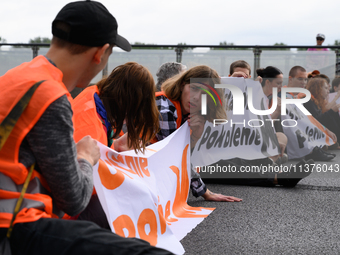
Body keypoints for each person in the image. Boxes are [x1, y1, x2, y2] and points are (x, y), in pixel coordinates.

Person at [0, 1, 173, 254]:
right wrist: (85, 156)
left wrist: (111, 146)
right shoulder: (52, 98)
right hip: (14, 222)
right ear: (100, 54)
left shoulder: (21, 76)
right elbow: (74, 200)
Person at [72, 62, 159, 228]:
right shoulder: (90, 128)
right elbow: (86, 185)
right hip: (69, 213)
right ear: (129, 102)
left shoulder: (94, 94)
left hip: (67, 200)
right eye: (135, 112)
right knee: (130, 201)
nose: (130, 120)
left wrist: (115, 146)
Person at [155, 65, 242, 202]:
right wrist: (205, 192)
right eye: (194, 88)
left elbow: (184, 154)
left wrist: (196, 136)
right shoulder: (165, 106)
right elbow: (174, 156)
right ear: (183, 84)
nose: (196, 98)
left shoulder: (190, 114)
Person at [304, 77, 340, 142]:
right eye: (326, 88)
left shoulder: (317, 101)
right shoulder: (309, 101)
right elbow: (318, 120)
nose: (328, 91)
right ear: (318, 89)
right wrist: (332, 111)